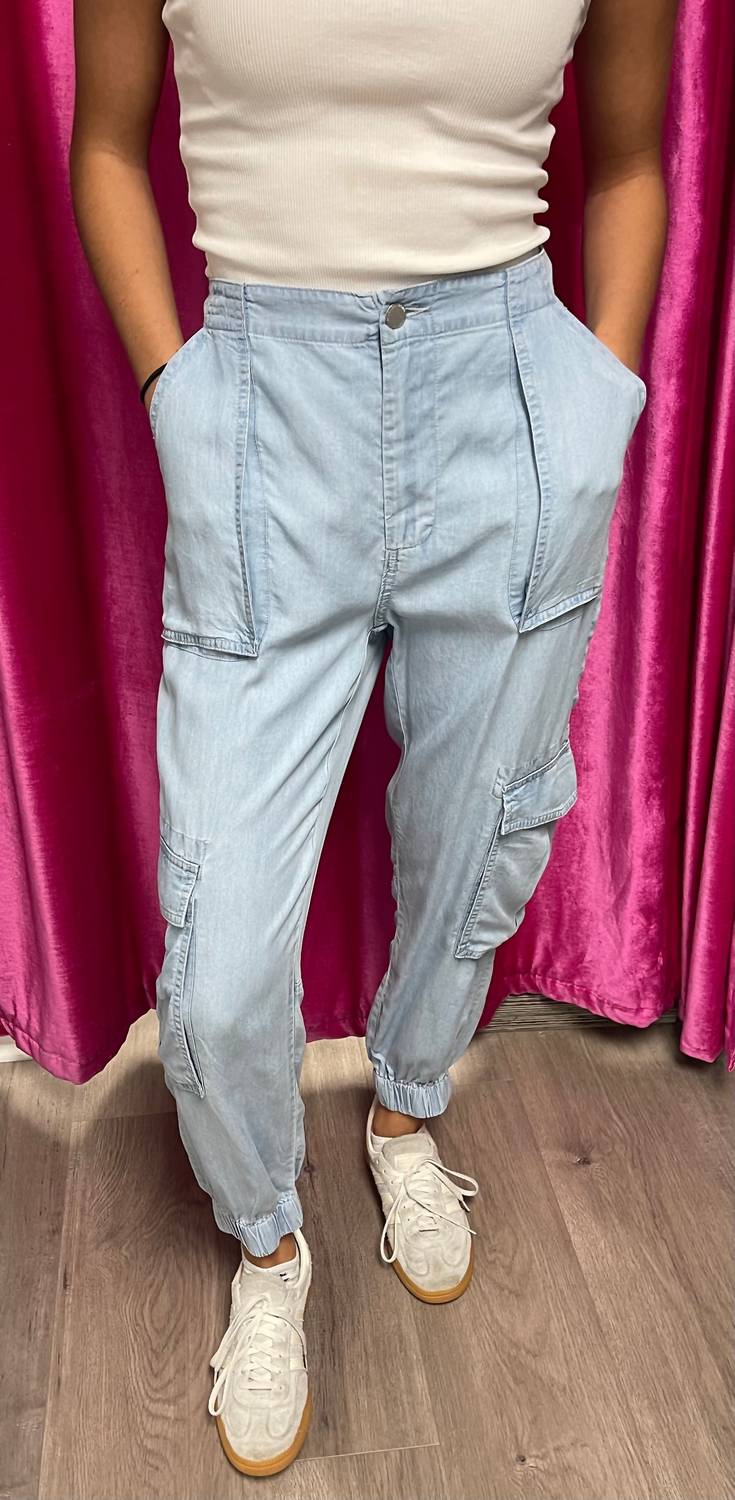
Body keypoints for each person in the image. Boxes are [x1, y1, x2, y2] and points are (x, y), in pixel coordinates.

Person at [70, 0, 676, 1478]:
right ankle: (268, 1242)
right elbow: (105, 146)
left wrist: (598, 404)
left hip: (510, 404)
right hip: (265, 408)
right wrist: (179, 397)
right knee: (217, 965)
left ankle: (406, 1116)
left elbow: (628, 159)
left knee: (481, 834)